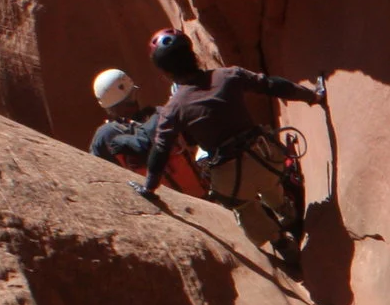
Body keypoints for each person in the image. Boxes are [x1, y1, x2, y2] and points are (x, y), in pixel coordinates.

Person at [136, 28, 323, 274]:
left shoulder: (174, 108)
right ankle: (287, 213)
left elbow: (161, 149)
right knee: (269, 184)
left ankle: (282, 243)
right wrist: (313, 95)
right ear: (192, 54)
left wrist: (149, 187)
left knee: (244, 207)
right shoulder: (228, 75)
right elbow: (272, 85)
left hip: (232, 179)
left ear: (166, 73)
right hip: (265, 159)